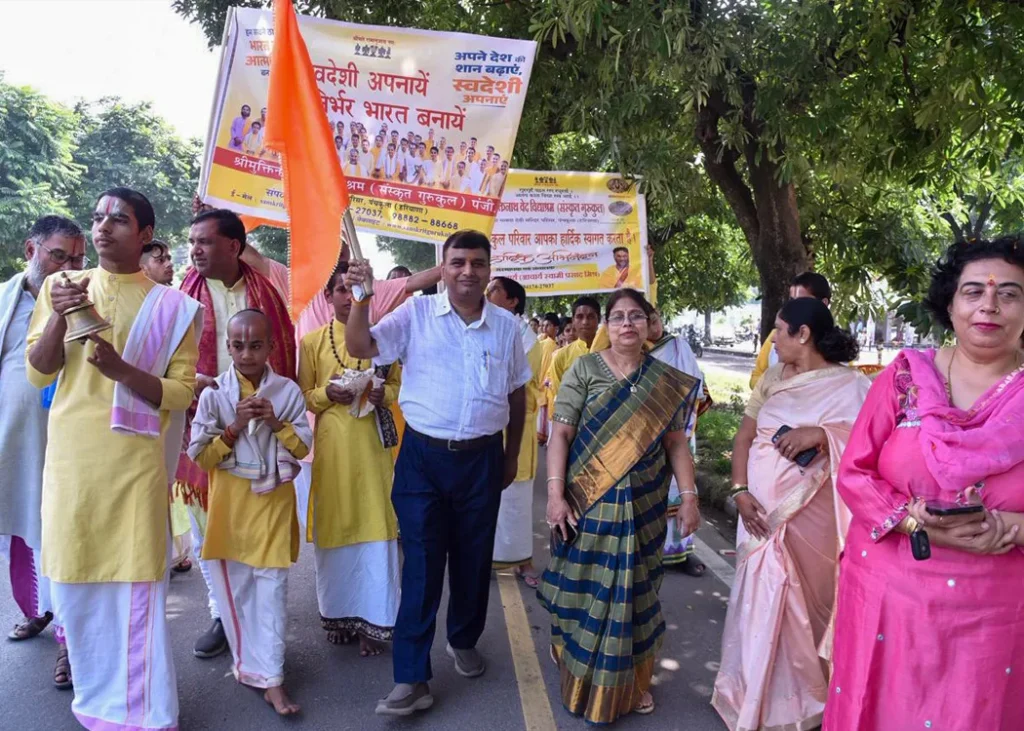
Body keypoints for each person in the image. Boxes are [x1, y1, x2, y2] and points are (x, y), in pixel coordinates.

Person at [823, 238, 1024, 730]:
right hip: (890, 601)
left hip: (997, 614)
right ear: (950, 304)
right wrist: (914, 519)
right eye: (973, 291)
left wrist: (1017, 526)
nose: (989, 305)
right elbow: (855, 471)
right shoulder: (906, 377)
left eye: (1011, 294)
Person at [25, 188, 201, 730]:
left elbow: (180, 392)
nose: (103, 228)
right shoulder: (62, 286)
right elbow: (38, 369)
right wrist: (59, 316)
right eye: (98, 218)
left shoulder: (174, 307)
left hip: (134, 465)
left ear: (145, 234)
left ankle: (145, 713)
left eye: (119, 220)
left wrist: (122, 369)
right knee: (77, 582)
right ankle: (96, 704)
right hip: (74, 462)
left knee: (134, 584)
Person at [343, 230, 531, 717]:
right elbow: (362, 345)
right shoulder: (416, 315)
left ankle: (463, 639)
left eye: (477, 263)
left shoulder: (509, 327)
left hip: (483, 459)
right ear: (442, 268)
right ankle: (411, 678)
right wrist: (362, 297)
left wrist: (510, 456)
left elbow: (517, 394)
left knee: (472, 559)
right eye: (457, 262)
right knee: (423, 566)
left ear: (490, 270)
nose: (467, 271)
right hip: (423, 459)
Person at [539, 289, 701, 723]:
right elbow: (561, 435)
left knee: (637, 592)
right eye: (618, 317)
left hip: (645, 509)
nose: (627, 324)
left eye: (636, 316)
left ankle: (632, 683)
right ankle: (580, 674)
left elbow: (676, 444)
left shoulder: (663, 382)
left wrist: (689, 497)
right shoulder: (584, 370)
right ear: (607, 326)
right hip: (588, 505)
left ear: (651, 324)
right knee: (584, 587)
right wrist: (555, 496)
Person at [712, 297, 868, 731]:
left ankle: (803, 703)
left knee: (806, 605)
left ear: (804, 335)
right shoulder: (773, 379)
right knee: (757, 600)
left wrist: (821, 433)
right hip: (758, 516)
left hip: (812, 520)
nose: (773, 339)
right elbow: (744, 437)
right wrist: (741, 491)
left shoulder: (851, 386)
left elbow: (872, 446)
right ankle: (748, 692)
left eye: (779, 331)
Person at [175, 208, 296, 661]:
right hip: (204, 424)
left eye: (205, 241)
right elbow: (166, 363)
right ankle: (221, 613)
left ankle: (261, 618)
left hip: (262, 428)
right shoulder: (179, 297)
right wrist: (197, 385)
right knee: (207, 528)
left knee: (255, 528)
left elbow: (284, 353)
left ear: (234, 246)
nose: (195, 251)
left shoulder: (267, 291)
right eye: (193, 242)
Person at [188, 309, 311, 716]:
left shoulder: (288, 392)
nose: (246, 354)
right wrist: (233, 427)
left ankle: (272, 678)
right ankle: (249, 666)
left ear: (271, 347)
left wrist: (275, 422)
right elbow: (201, 457)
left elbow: (302, 449)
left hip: (272, 504)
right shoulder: (214, 396)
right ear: (227, 346)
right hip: (231, 511)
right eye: (238, 345)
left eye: (256, 345)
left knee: (272, 592)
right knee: (237, 596)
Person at [1, 215, 86, 690]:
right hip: (15, 440)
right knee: (22, 528)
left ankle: (70, 642)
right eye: (59, 255)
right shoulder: (6, 299)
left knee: (64, 533)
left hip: (69, 439)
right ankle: (38, 611)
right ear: (31, 250)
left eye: (77, 258)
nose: (69, 266)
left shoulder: (80, 296)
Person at [298, 266, 402, 657]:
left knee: (375, 525)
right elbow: (304, 394)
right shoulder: (312, 342)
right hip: (333, 448)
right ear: (328, 297)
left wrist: (381, 396)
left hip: (372, 448)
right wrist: (327, 395)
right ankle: (339, 617)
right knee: (336, 524)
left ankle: (373, 622)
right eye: (340, 290)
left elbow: (395, 385)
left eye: (354, 288)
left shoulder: (384, 338)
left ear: (367, 293)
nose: (347, 296)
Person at [486, 276, 544, 587]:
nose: (487, 293)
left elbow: (516, 381)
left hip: (516, 427)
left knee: (517, 499)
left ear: (513, 302)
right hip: (487, 425)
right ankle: (484, 558)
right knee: (484, 497)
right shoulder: (483, 326)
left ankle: (523, 561)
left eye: (494, 289)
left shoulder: (528, 338)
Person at [645, 309, 711, 576]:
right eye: (645, 321)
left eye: (655, 320)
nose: (652, 327)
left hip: (678, 428)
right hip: (644, 434)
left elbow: (697, 385)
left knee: (680, 491)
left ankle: (681, 552)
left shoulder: (677, 346)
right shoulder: (629, 350)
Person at [750, 272, 832, 388]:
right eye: (792, 300)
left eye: (801, 301)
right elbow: (756, 376)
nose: (793, 306)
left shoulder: (837, 346)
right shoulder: (775, 337)